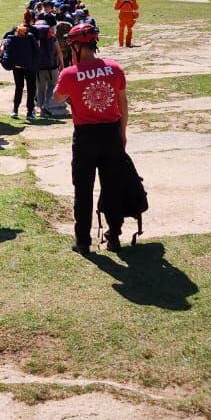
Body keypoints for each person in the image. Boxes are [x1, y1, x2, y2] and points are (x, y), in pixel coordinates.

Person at [53, 22, 128, 255]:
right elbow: (122, 103)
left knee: (83, 189)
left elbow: (57, 98)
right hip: (112, 133)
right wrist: (122, 133)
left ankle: (83, 241)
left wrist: (68, 71)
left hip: (85, 137)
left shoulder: (70, 74)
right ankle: (114, 236)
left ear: (75, 47)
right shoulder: (115, 69)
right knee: (112, 186)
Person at [2, 23, 40, 120]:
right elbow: (37, 51)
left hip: (17, 67)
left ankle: (15, 110)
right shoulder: (30, 37)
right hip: (30, 67)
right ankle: (30, 112)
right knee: (31, 89)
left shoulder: (12, 38)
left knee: (18, 88)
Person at [33, 20, 60, 117]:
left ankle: (41, 110)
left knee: (40, 90)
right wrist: (61, 64)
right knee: (52, 86)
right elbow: (59, 52)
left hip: (39, 69)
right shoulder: (53, 38)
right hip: (52, 67)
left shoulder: (34, 40)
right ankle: (47, 104)